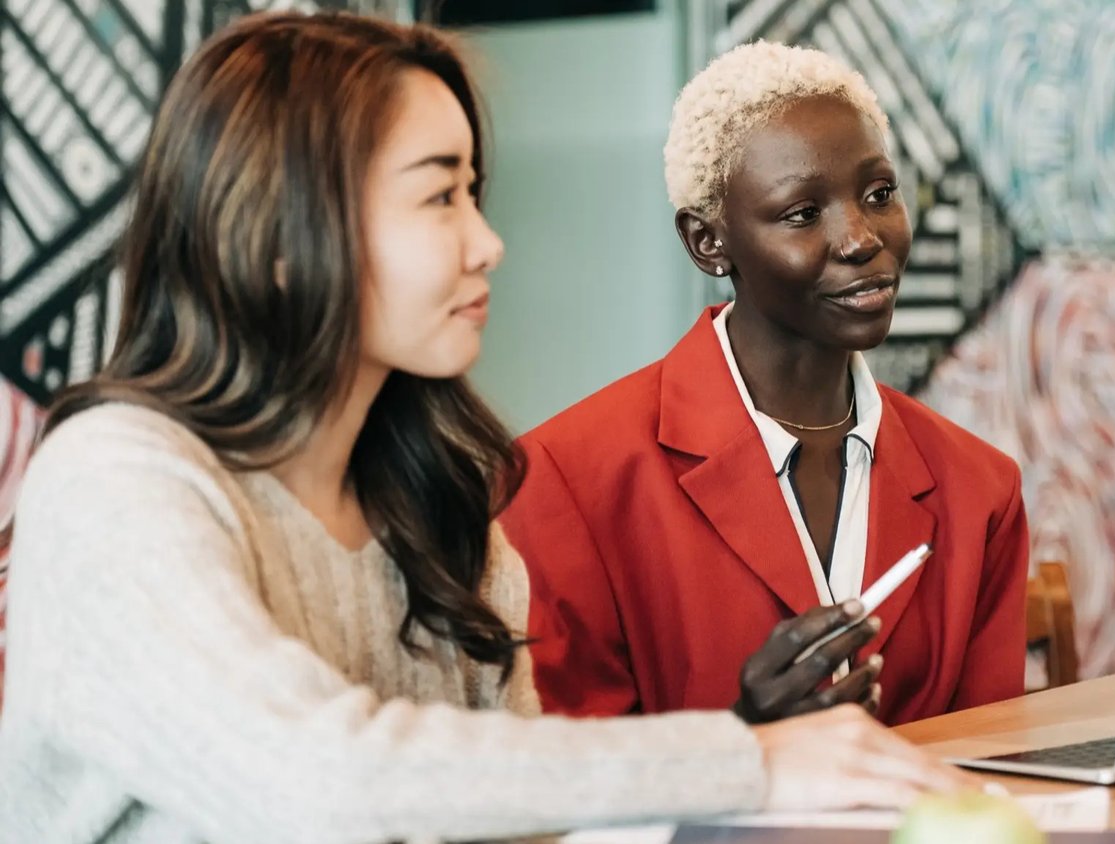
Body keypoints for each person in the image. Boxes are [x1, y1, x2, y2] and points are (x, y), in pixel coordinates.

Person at [0, 14, 975, 843]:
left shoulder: (435, 503)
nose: (488, 241)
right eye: (439, 196)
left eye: (474, 192)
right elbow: (318, 778)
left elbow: (515, 821)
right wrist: (746, 759)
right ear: (279, 232)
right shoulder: (113, 482)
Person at [500, 41, 1030, 728]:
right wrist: (740, 739)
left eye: (879, 194)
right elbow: (561, 795)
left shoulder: (979, 490)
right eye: (803, 213)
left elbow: (993, 775)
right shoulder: (564, 480)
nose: (861, 238)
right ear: (708, 243)